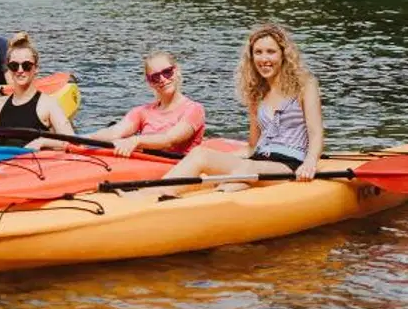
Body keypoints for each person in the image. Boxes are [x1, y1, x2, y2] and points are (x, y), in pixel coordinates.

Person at [161, 23, 323, 188]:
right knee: (203, 159)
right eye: (258, 52)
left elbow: (316, 133)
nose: (264, 59)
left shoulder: (305, 85)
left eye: (271, 52)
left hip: (288, 164)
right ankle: (153, 196)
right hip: (258, 161)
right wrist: (221, 157)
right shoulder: (257, 94)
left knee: (239, 169)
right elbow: (252, 146)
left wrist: (310, 162)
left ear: (283, 54)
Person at [89, 51, 207, 157]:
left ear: (176, 71)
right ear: (149, 81)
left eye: (167, 72)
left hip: (176, 167)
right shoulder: (142, 111)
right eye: (155, 77)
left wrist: (135, 141)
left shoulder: (194, 109)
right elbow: (115, 132)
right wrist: (84, 138)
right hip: (145, 164)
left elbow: (169, 140)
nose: (162, 79)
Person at [0, 33, 74, 147]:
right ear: (9, 69)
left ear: (36, 68)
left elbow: (71, 141)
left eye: (26, 65)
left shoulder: (48, 105)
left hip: (35, 157)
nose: (20, 70)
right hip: (5, 156)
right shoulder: (0, 104)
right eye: (14, 66)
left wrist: (43, 142)